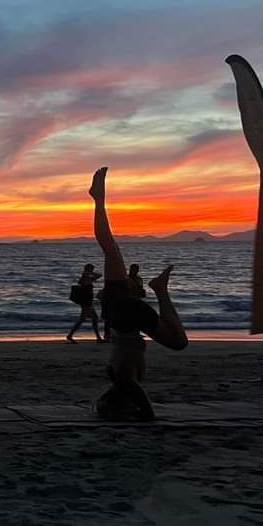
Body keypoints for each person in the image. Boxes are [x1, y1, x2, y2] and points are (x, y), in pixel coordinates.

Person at [87, 167, 188, 421]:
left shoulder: (122, 379)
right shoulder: (119, 377)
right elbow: (137, 396)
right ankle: (98, 201)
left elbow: (141, 400)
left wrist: (147, 415)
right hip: (115, 308)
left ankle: (161, 292)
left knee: (179, 342)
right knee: (110, 248)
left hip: (128, 316)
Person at [66, 263, 103, 343]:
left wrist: (90, 273)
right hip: (86, 302)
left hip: (88, 302)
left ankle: (98, 337)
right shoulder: (85, 278)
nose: (93, 270)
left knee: (89, 318)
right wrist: (89, 272)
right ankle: (70, 336)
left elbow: (99, 275)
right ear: (88, 269)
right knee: (87, 319)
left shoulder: (87, 277)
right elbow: (97, 275)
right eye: (91, 269)